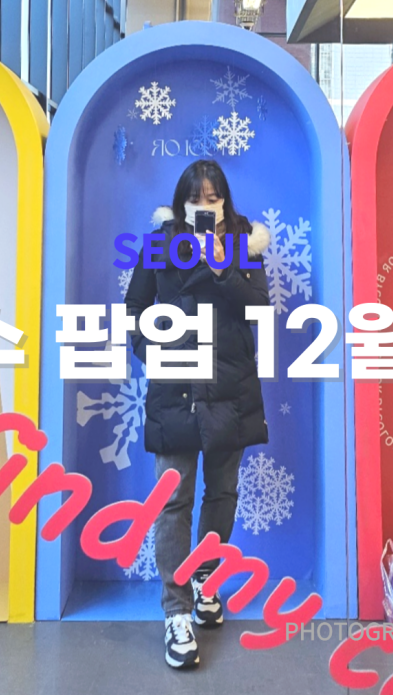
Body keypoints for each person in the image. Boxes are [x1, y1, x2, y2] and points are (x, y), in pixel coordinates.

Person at [125, 159, 271, 669]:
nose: (204, 207)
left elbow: (259, 309)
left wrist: (222, 266)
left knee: (222, 492)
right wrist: (154, 353)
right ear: (181, 203)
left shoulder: (243, 244)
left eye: (213, 198)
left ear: (225, 202)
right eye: (195, 199)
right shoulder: (159, 244)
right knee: (173, 499)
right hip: (176, 387)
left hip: (230, 388)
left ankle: (207, 579)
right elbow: (134, 308)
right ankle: (176, 611)